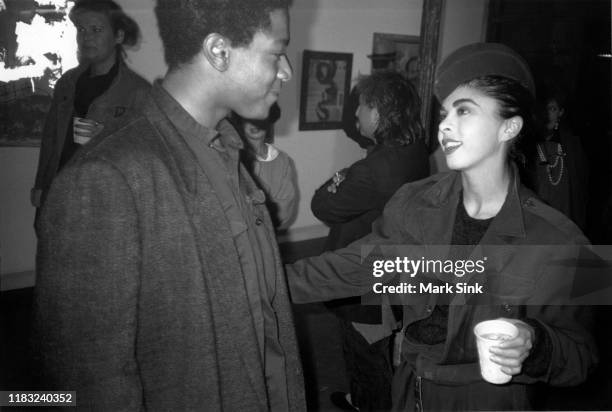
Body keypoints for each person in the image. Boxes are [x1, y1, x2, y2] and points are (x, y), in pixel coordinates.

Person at [286, 43, 597, 410]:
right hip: (409, 389)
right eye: (445, 112)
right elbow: (364, 265)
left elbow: (584, 357)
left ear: (509, 126)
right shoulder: (416, 202)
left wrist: (536, 344)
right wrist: (268, 282)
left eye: (464, 111)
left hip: (486, 401)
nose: (445, 124)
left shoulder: (563, 239)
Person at [32, 0, 306, 410]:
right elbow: (91, 383)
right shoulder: (104, 179)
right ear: (219, 52)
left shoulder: (228, 153)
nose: (285, 70)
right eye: (276, 51)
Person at [310, 71, 429, 411]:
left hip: (365, 281)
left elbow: (322, 206)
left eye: (361, 106)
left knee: (365, 353)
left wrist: (340, 177)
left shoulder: (373, 170)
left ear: (376, 112)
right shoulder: (413, 150)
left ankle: (370, 403)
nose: (357, 114)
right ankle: (363, 398)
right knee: (372, 348)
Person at [30, 0, 149, 224]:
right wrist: (40, 184)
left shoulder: (138, 92)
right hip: (58, 199)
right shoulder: (67, 83)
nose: (86, 37)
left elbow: (144, 160)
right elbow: (50, 139)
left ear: (118, 37)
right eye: (81, 29)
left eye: (96, 29)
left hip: (105, 208)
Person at [525, 89, 589, 231]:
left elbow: (579, 188)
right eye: (544, 109)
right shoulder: (527, 144)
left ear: (560, 112)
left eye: (553, 109)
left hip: (564, 218)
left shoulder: (572, 145)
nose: (547, 114)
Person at [230, 103, 298, 230]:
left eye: (261, 118)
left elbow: (285, 206)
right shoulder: (232, 158)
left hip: (268, 232)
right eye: (249, 119)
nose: (255, 124)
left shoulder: (282, 160)